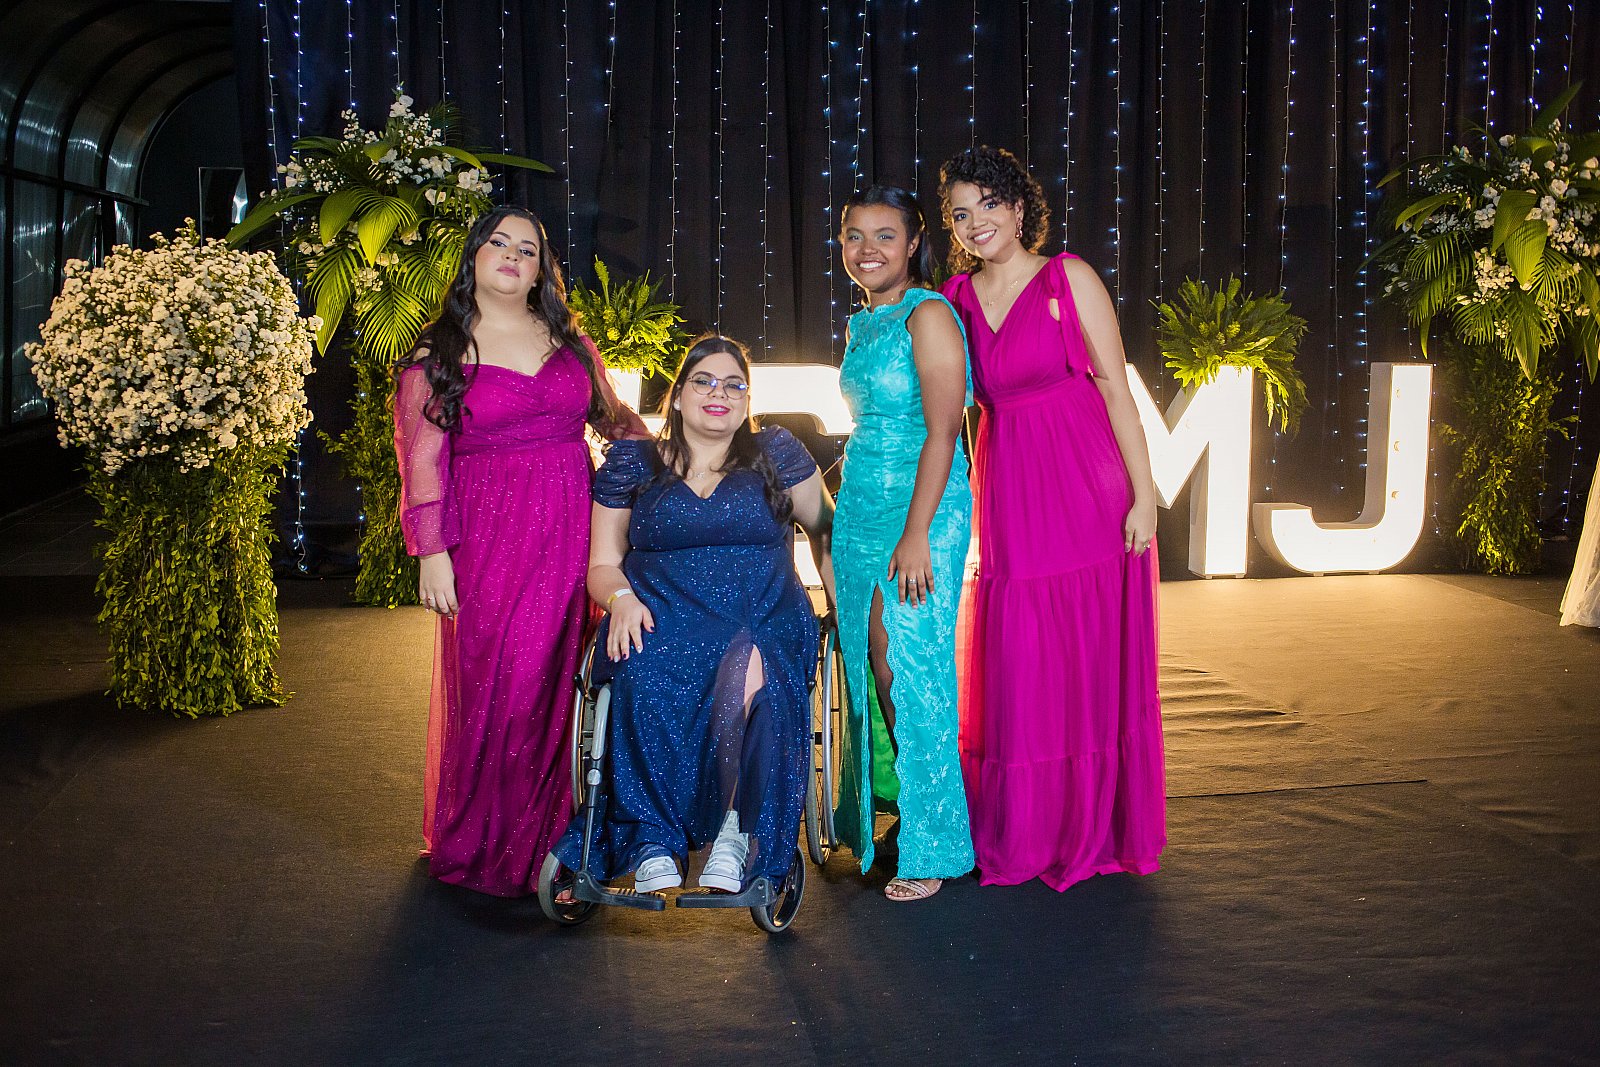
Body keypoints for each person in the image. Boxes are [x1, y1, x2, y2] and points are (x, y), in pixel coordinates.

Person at [393, 206, 648, 897]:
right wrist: (431, 552)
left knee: (561, 684)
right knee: (503, 683)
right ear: (474, 257)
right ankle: (493, 840)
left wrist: (685, 464)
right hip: (488, 538)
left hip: (572, 530)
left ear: (540, 270)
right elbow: (422, 460)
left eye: (527, 249)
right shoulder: (439, 352)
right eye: (498, 243)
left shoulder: (569, 341)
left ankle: (558, 842)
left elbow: (617, 421)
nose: (512, 255)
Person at [937, 145, 1166, 891]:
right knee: (1025, 655)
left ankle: (1092, 821)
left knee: (1087, 650)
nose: (976, 223)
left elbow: (1116, 390)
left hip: (1086, 483)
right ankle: (1031, 825)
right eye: (961, 214)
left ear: (1019, 207)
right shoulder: (955, 298)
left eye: (989, 204)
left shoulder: (1069, 277)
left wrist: (1144, 495)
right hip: (1010, 486)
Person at [552, 335, 835, 893]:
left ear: (746, 400)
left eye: (733, 385)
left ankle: (735, 832)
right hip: (660, 612)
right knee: (639, 670)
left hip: (761, 610)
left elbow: (826, 530)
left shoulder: (776, 454)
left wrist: (838, 606)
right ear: (678, 396)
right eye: (704, 381)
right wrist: (621, 600)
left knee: (747, 667)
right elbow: (602, 564)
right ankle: (652, 838)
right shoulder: (633, 463)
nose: (718, 394)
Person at [830, 184, 975, 902]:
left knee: (912, 664)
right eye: (854, 236)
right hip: (860, 506)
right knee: (871, 662)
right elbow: (869, 426)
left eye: (885, 236)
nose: (868, 250)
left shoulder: (929, 314)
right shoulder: (862, 323)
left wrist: (917, 532)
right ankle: (902, 814)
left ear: (914, 243)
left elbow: (945, 431)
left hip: (925, 506)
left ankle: (938, 842)